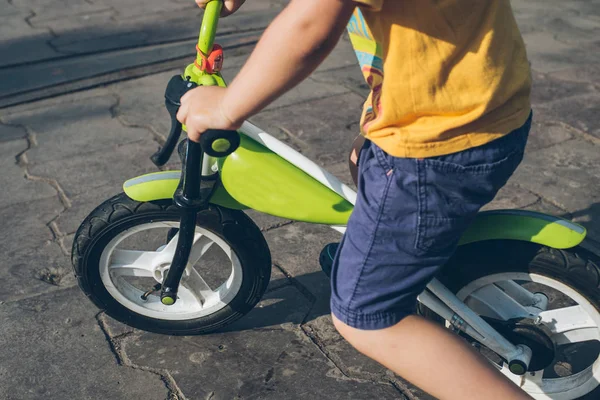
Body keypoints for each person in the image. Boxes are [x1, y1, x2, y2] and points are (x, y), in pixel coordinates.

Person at [178, 1, 533, 398]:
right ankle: (394, 257)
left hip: (432, 146)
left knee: (365, 316)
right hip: (479, 99)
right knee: (360, 160)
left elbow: (310, 25)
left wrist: (227, 107)